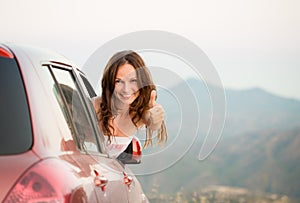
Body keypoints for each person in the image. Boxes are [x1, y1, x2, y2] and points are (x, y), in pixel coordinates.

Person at [92, 50, 167, 158]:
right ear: (109, 82)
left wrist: (155, 118)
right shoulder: (92, 107)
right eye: (118, 81)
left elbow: (151, 120)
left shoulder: (139, 115)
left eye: (133, 81)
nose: (126, 89)